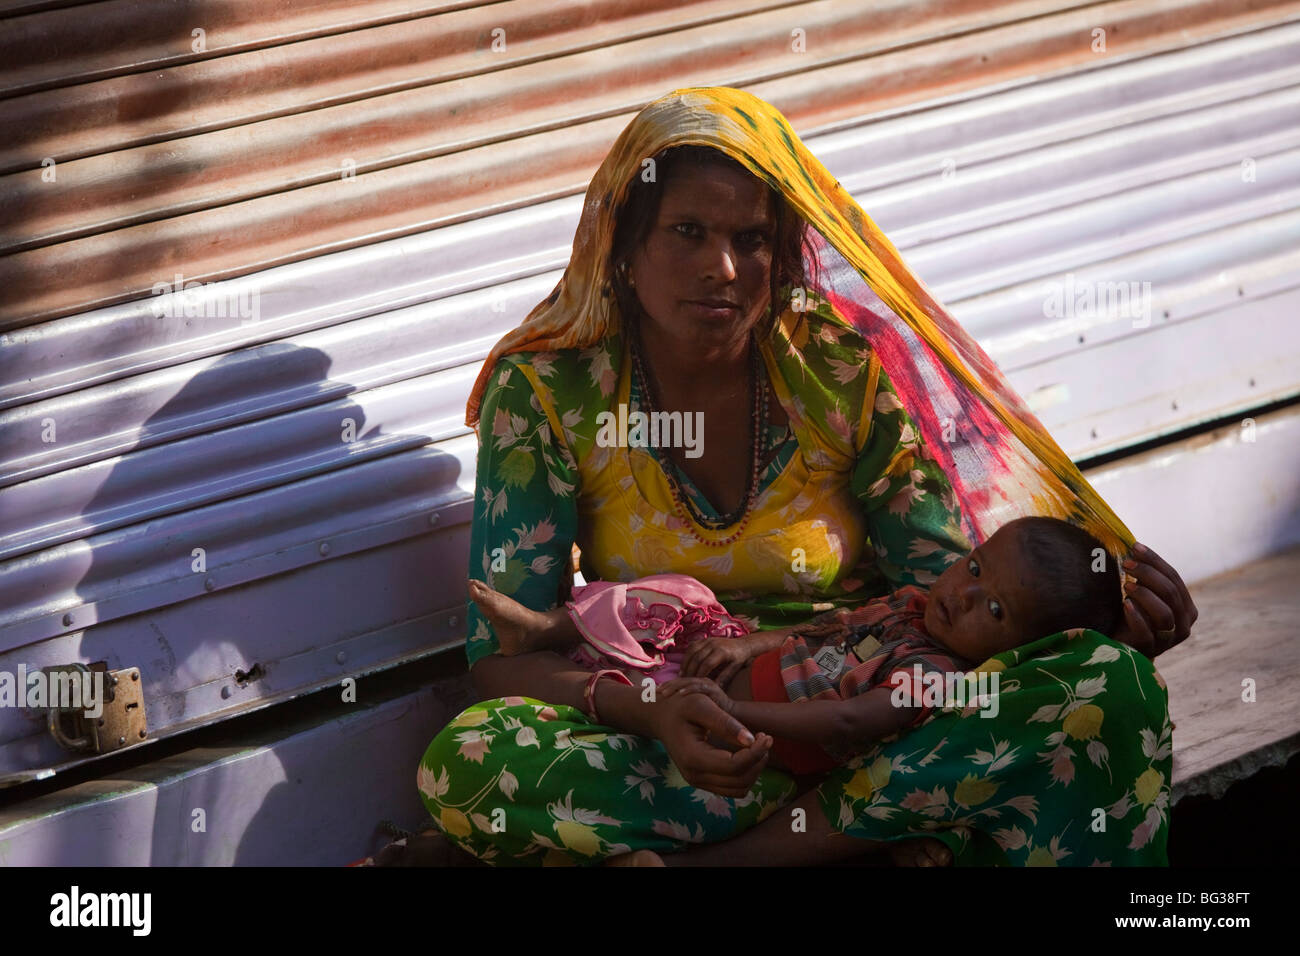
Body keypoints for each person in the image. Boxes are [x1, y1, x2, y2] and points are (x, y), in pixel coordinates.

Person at [411, 86, 1196, 868]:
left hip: (876, 715)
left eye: (751, 239)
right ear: (622, 244)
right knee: (473, 756)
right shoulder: (550, 391)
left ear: (783, 252)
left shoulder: (842, 366)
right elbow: (502, 654)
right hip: (699, 747)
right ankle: (871, 833)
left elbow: (949, 592)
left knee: (1107, 685)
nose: (722, 268)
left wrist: (1099, 632)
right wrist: (655, 712)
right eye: (687, 232)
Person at [469, 515, 1125, 778]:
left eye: (997, 609)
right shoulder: (913, 607)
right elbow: (827, 630)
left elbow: (844, 720)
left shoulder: (933, 674)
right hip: (717, 673)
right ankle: (548, 626)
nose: (966, 595)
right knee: (685, 593)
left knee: (579, 701)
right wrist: (751, 643)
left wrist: (737, 716)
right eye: (976, 569)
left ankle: (559, 666)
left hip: (737, 735)